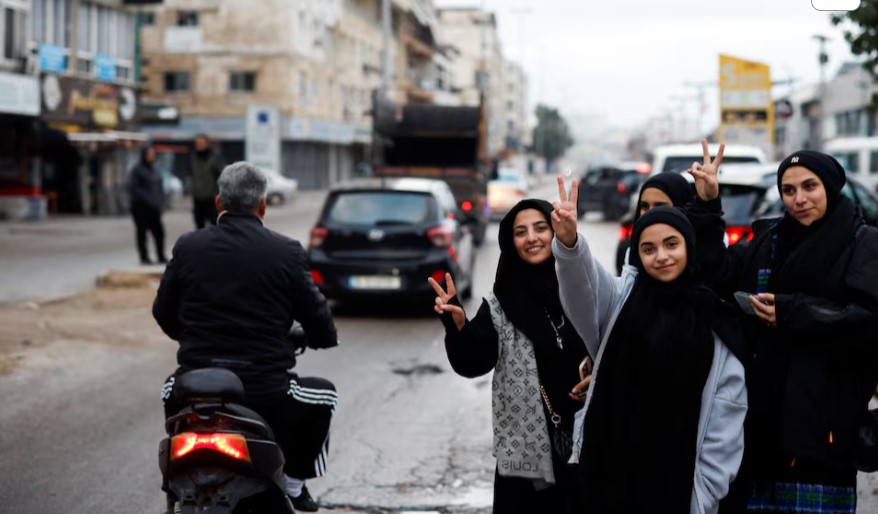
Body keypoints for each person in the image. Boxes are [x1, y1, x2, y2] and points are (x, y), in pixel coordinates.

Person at [689, 149, 878, 513]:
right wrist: (708, 205)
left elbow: (869, 321)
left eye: (810, 186)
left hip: (825, 434)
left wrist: (793, 313)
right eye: (789, 190)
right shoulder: (768, 242)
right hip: (762, 428)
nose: (799, 199)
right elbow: (718, 272)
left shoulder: (864, 244)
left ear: (832, 187)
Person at [552, 177, 748, 514]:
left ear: (689, 246)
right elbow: (584, 290)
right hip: (611, 482)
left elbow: (726, 412)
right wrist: (569, 245)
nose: (661, 256)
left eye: (672, 244)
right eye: (648, 249)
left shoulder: (714, 316)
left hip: (678, 489)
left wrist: (703, 493)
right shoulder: (621, 302)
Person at [153, 161, 339, 512]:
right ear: (263, 205)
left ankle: (174, 481)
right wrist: (315, 336)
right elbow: (320, 323)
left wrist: (191, 337)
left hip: (195, 389)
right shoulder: (286, 251)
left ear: (219, 203)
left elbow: (163, 313)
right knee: (325, 395)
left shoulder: (189, 246)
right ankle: (295, 483)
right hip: (266, 392)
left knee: (168, 389)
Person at [429, 199, 589, 513]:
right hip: (526, 464)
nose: (532, 238)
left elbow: (618, 346)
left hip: (590, 444)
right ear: (510, 242)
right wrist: (458, 326)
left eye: (541, 227)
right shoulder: (501, 304)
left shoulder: (586, 287)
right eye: (520, 232)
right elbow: (473, 362)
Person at [127, 144, 167, 264]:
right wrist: (147, 199)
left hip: (154, 207)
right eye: (149, 154)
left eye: (153, 154)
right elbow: (133, 188)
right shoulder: (137, 170)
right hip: (141, 207)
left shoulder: (155, 170)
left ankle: (160, 255)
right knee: (142, 232)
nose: (152, 156)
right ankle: (144, 256)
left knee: (159, 232)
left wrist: (160, 201)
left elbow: (160, 187)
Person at [190, 134, 222, 229]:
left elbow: (220, 176)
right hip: (198, 199)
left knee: (214, 225)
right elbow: (191, 175)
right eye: (197, 143)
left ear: (207, 144)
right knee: (199, 226)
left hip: (211, 199)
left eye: (201, 143)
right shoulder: (193, 158)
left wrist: (217, 193)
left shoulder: (214, 158)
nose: (199, 145)